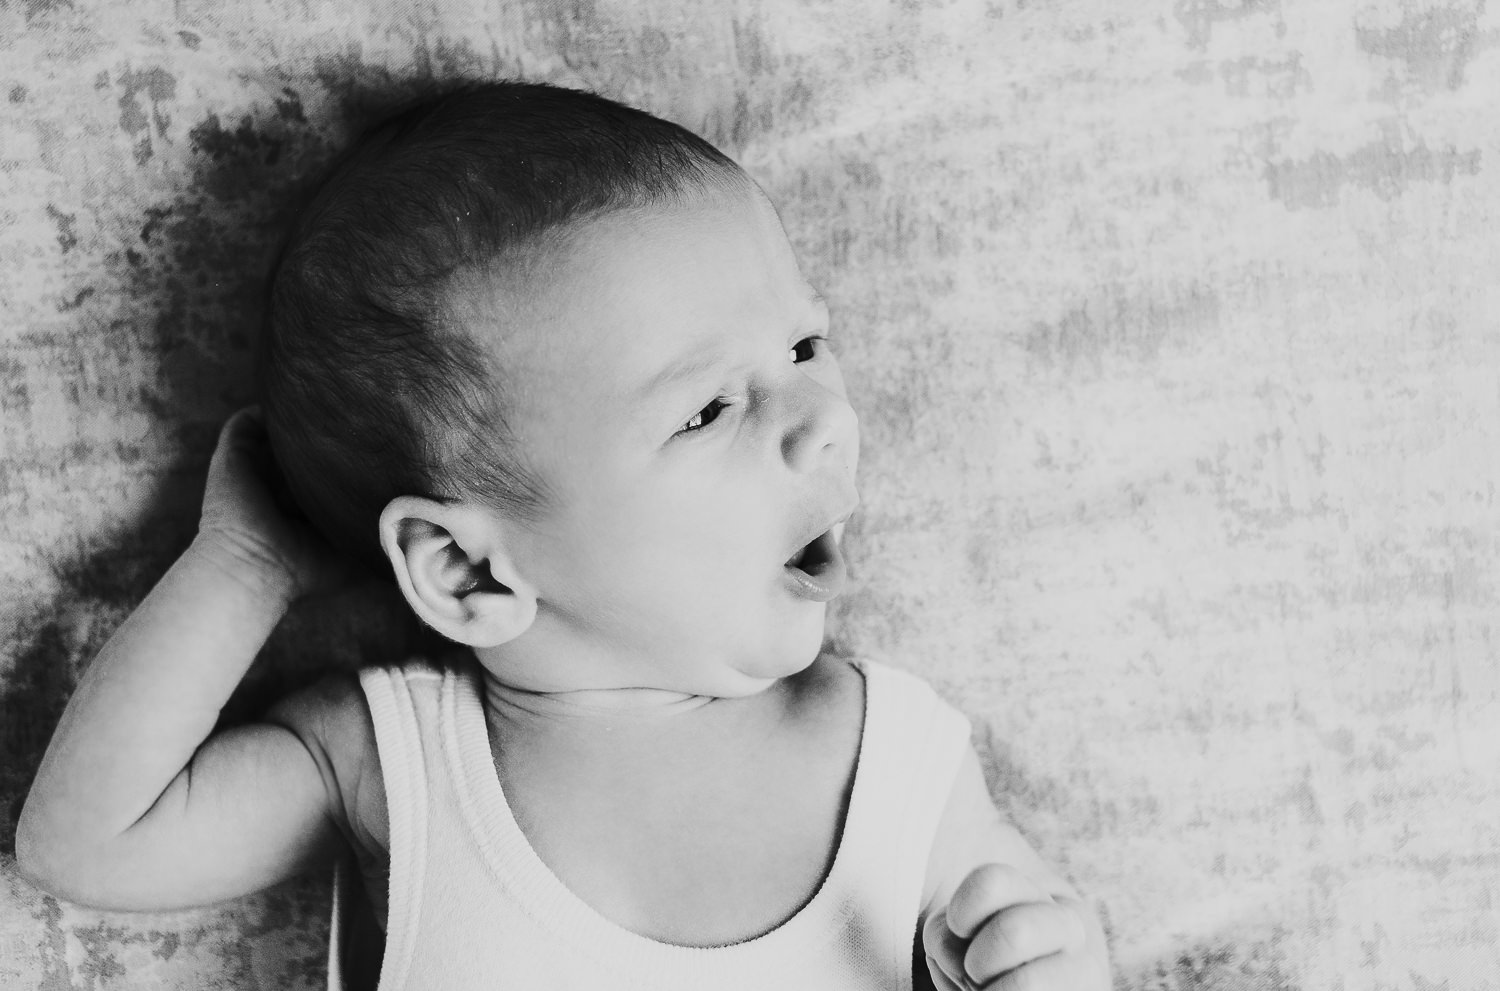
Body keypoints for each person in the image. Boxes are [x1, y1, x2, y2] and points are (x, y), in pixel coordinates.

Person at [17, 81, 1111, 990]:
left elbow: (1032, 946)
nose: (824, 418)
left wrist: (1054, 967)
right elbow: (83, 844)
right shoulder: (399, 763)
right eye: (707, 409)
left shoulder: (901, 764)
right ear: (465, 569)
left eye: (804, 346)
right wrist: (245, 567)